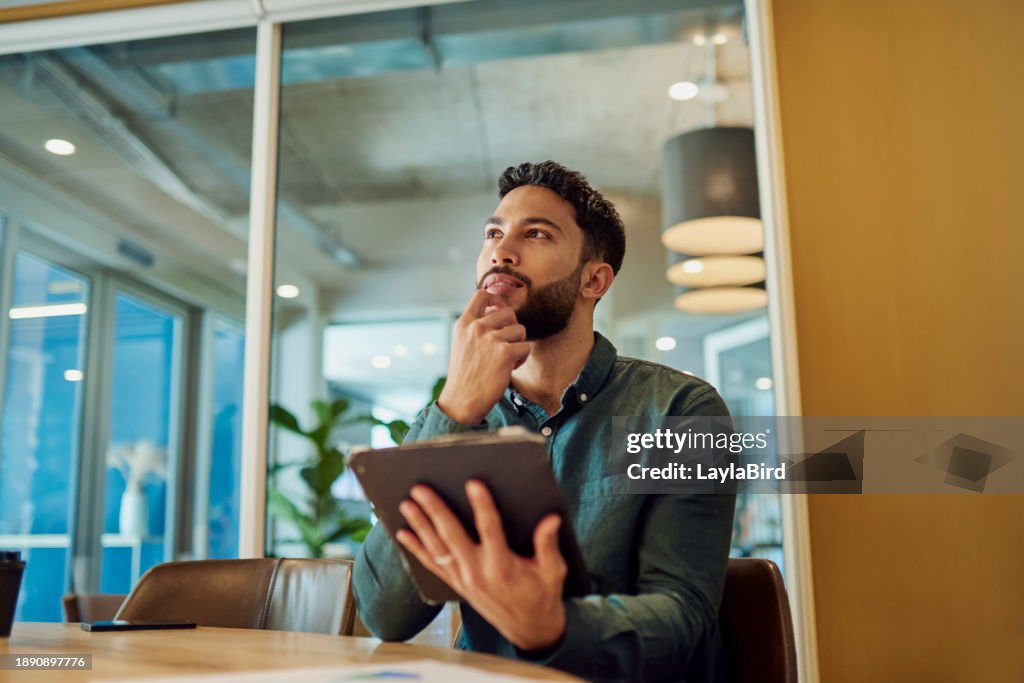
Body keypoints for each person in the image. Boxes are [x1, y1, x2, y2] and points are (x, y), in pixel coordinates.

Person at [353, 161, 736, 682]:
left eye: (535, 233)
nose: (501, 250)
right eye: (493, 232)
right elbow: (385, 614)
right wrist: (456, 411)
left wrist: (553, 626)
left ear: (593, 279)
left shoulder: (682, 409)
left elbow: (683, 614)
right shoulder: (447, 416)